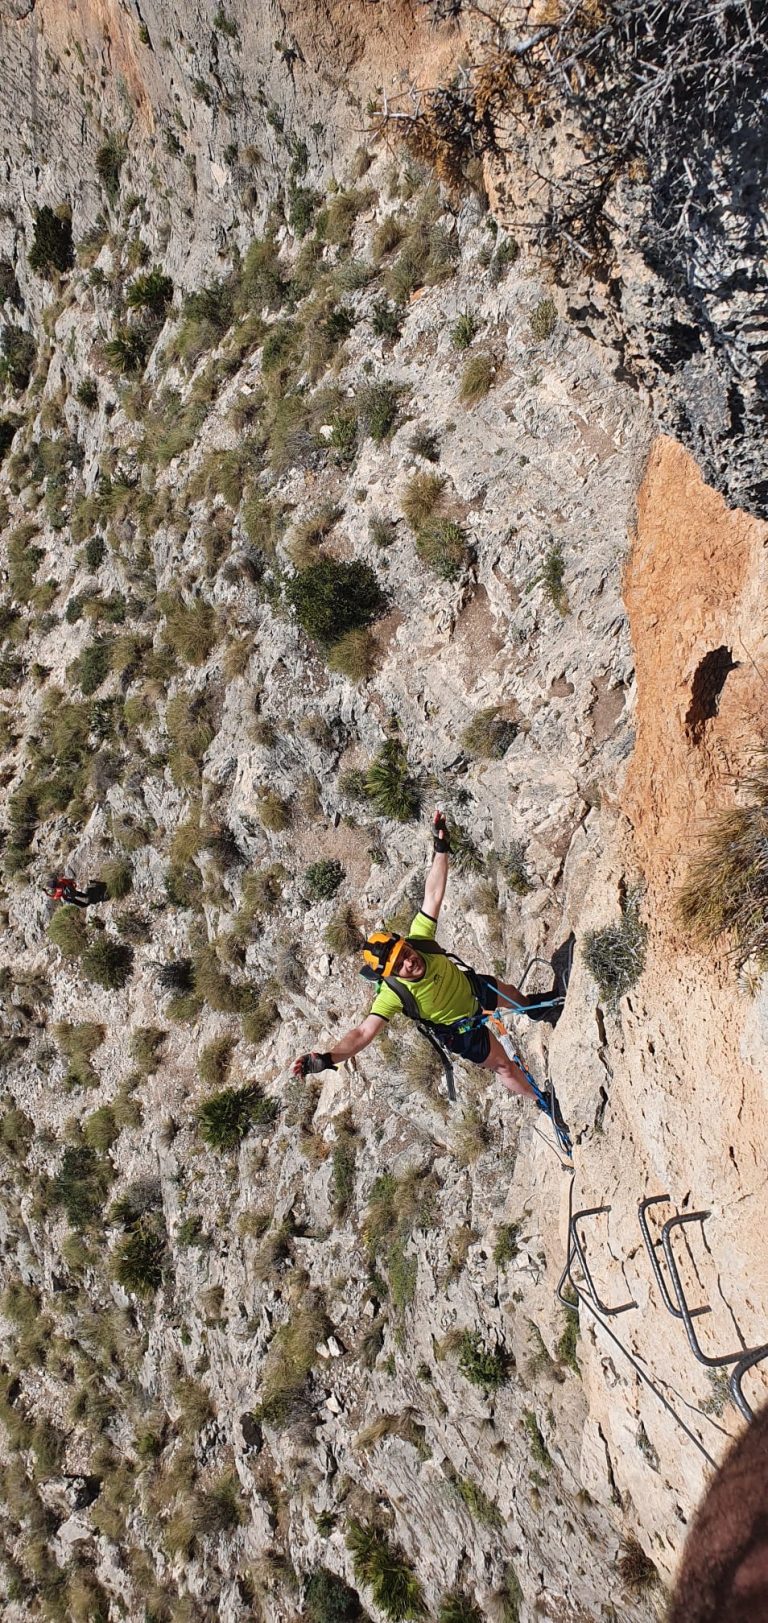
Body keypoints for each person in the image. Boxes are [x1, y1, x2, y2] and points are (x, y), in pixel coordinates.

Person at [292, 809, 559, 1101]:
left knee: (513, 995)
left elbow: (432, 895)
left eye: (405, 952)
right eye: (400, 965)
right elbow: (362, 1034)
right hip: (461, 1030)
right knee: (504, 1067)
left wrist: (441, 849)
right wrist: (328, 1058)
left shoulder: (419, 939)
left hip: (473, 990)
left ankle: (536, 1010)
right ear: (389, 974)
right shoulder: (393, 995)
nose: (410, 961)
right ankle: (543, 1102)